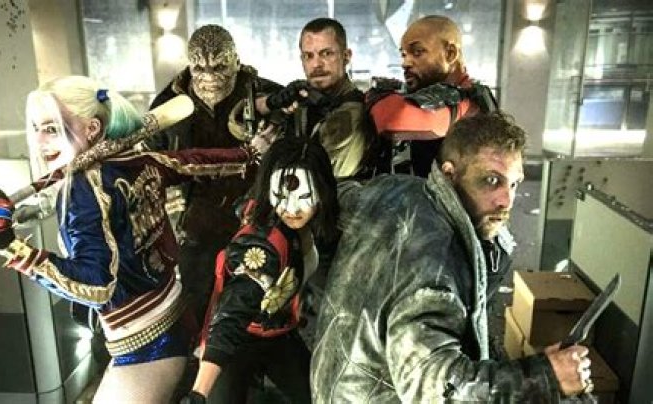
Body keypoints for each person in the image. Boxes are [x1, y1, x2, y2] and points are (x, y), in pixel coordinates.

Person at [0, 76, 262, 403]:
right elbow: (192, 161)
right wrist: (250, 153)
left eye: (51, 129)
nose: (39, 141)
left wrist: (13, 248)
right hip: (172, 313)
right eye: (36, 128)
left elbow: (96, 285)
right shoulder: (137, 159)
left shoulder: (83, 189)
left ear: (92, 128)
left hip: (144, 341)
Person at [310, 112, 593, 402]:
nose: (506, 200)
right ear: (449, 174)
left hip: (335, 386)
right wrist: (544, 377)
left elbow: (331, 200)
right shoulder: (436, 268)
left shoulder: (396, 188)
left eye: (514, 184)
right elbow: (434, 388)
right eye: (491, 180)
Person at [144, 24, 283, 333]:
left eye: (218, 67)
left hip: (255, 215)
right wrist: (160, 197)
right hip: (196, 221)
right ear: (189, 65)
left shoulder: (265, 95)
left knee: (257, 304)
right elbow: (148, 164)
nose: (208, 77)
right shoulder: (167, 105)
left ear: (236, 61)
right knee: (195, 302)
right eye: (199, 68)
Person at [182, 137, 339, 404]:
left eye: (305, 198)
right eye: (281, 197)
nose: (292, 208)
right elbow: (232, 314)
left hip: (280, 333)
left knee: (322, 396)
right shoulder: (263, 244)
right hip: (238, 340)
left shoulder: (311, 225)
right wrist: (198, 394)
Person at [367, 14, 498, 178]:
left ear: (450, 54)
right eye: (404, 54)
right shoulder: (429, 93)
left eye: (417, 52)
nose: (405, 63)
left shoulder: (470, 103)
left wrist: (375, 98)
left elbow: (392, 119)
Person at [263, 17, 377, 180]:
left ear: (346, 56)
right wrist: (274, 109)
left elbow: (318, 180)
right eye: (308, 56)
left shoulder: (350, 113)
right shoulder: (306, 101)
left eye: (326, 54)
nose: (316, 64)